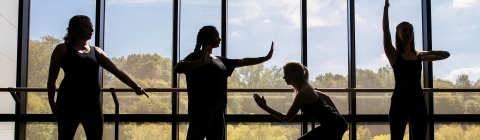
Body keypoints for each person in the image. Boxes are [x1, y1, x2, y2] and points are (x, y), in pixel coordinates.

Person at [47, 15, 149, 140]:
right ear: (77, 28)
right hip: (68, 102)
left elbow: (116, 70)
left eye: (92, 27)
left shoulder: (96, 51)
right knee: (65, 137)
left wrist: (135, 86)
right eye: (87, 27)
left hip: (92, 104)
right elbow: (52, 78)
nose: (92, 30)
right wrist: (52, 103)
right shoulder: (62, 49)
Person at [174, 25, 274, 140]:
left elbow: (243, 61)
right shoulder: (196, 56)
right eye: (216, 35)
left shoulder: (219, 60)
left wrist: (266, 58)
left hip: (218, 109)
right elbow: (178, 68)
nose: (219, 38)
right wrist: (201, 62)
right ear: (206, 37)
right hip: (201, 110)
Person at [383, 0, 450, 139]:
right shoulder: (394, 55)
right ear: (398, 34)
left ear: (412, 34)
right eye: (404, 30)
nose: (407, 32)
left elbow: (445, 54)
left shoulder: (419, 55)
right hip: (399, 102)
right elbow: (385, 31)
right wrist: (386, 8)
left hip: (417, 101)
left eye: (410, 30)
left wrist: (427, 52)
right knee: (396, 137)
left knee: (419, 137)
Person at [253, 61, 348, 140]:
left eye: (287, 73)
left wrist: (264, 107)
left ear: (296, 73)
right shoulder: (306, 88)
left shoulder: (303, 92)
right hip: (336, 124)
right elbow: (326, 98)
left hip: (333, 126)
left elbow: (287, 118)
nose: (284, 77)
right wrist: (340, 118)